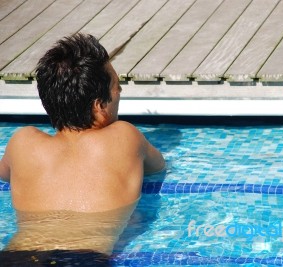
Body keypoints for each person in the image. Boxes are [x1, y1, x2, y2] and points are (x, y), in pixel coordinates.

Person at [0, 33, 165, 266]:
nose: (121, 93)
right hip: (82, 259)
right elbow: (158, 166)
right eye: (117, 88)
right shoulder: (125, 136)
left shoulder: (22, 142)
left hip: (15, 258)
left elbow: (5, 175)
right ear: (99, 106)